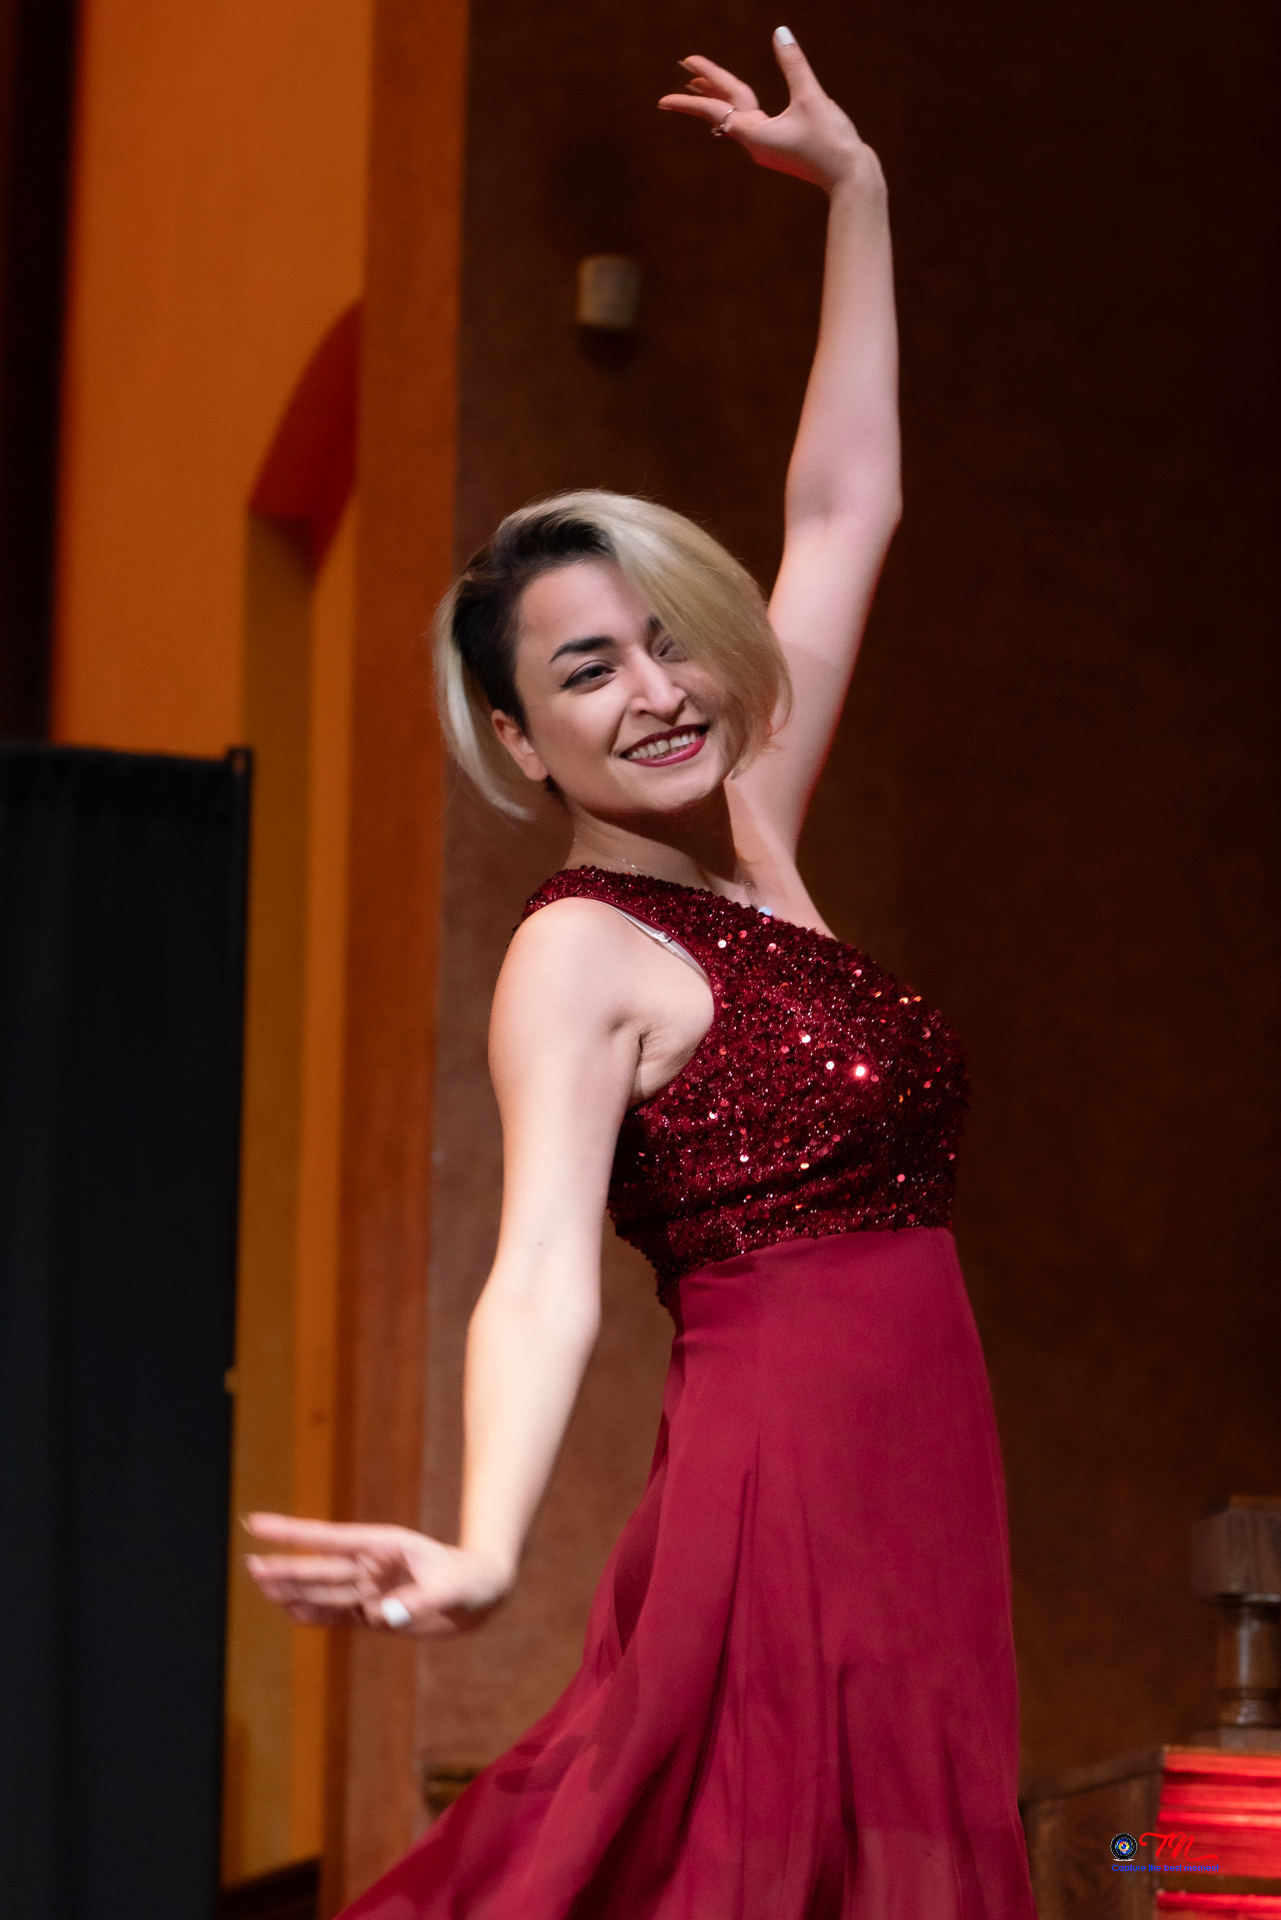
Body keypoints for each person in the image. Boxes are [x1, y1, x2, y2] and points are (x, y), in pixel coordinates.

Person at [247, 29, 1038, 1919]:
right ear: (520, 744)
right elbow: (535, 1271)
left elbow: (844, 511)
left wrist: (856, 197)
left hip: (919, 1477)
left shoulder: (756, 824)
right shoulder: (579, 952)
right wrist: (486, 1543)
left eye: (663, 638)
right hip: (788, 1480)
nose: (655, 690)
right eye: (585, 672)